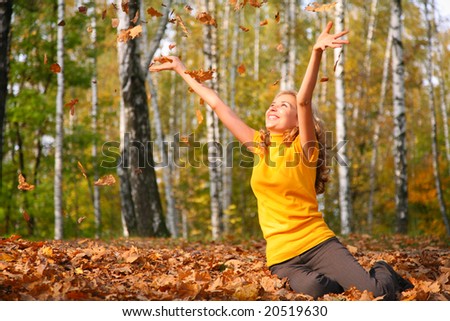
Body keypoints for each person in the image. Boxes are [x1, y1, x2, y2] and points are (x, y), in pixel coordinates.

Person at [150, 21, 413, 300]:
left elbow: (304, 101)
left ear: (298, 123)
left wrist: (316, 52)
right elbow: (217, 104)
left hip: (319, 243)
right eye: (273, 103)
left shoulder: (305, 149)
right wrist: (181, 69)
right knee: (316, 289)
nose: (274, 106)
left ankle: (383, 269)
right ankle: (337, 282)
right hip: (282, 257)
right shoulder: (259, 147)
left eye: (283, 105)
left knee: (376, 294)